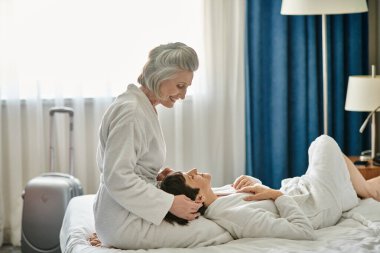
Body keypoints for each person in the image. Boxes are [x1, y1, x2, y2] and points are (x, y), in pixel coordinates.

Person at [160, 135, 380, 240]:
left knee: (331, 157)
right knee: (323, 143)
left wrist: (253, 182)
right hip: (319, 204)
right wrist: (277, 195)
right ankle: (366, 193)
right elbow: (303, 232)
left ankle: (358, 191)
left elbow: (262, 200)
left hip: (302, 188)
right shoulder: (235, 217)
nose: (195, 169)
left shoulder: (217, 194)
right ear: (197, 198)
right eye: (190, 176)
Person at [93, 42, 203, 249]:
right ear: (159, 77)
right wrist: (170, 203)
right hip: (123, 222)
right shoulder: (132, 112)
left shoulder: (140, 105)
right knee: (218, 230)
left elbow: (127, 165)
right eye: (180, 86)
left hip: (120, 214)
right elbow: (116, 176)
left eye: (187, 87)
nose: (183, 95)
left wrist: (157, 175)